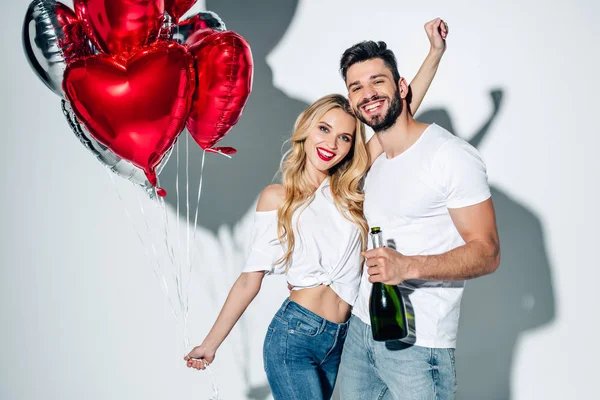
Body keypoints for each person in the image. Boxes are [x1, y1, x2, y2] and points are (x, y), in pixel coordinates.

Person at [184, 19, 449, 400]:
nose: (333, 143)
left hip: (343, 340)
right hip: (294, 338)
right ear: (307, 130)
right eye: (324, 130)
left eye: (344, 136)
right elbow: (249, 279)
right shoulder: (276, 198)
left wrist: (435, 54)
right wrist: (212, 343)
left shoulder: (350, 187)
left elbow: (401, 111)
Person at [337, 26, 500, 400]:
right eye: (356, 87)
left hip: (419, 344)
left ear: (401, 85)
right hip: (362, 330)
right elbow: (390, 113)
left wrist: (406, 267)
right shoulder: (373, 157)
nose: (368, 94)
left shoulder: (450, 156)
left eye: (377, 81)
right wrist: (435, 52)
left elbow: (488, 252)